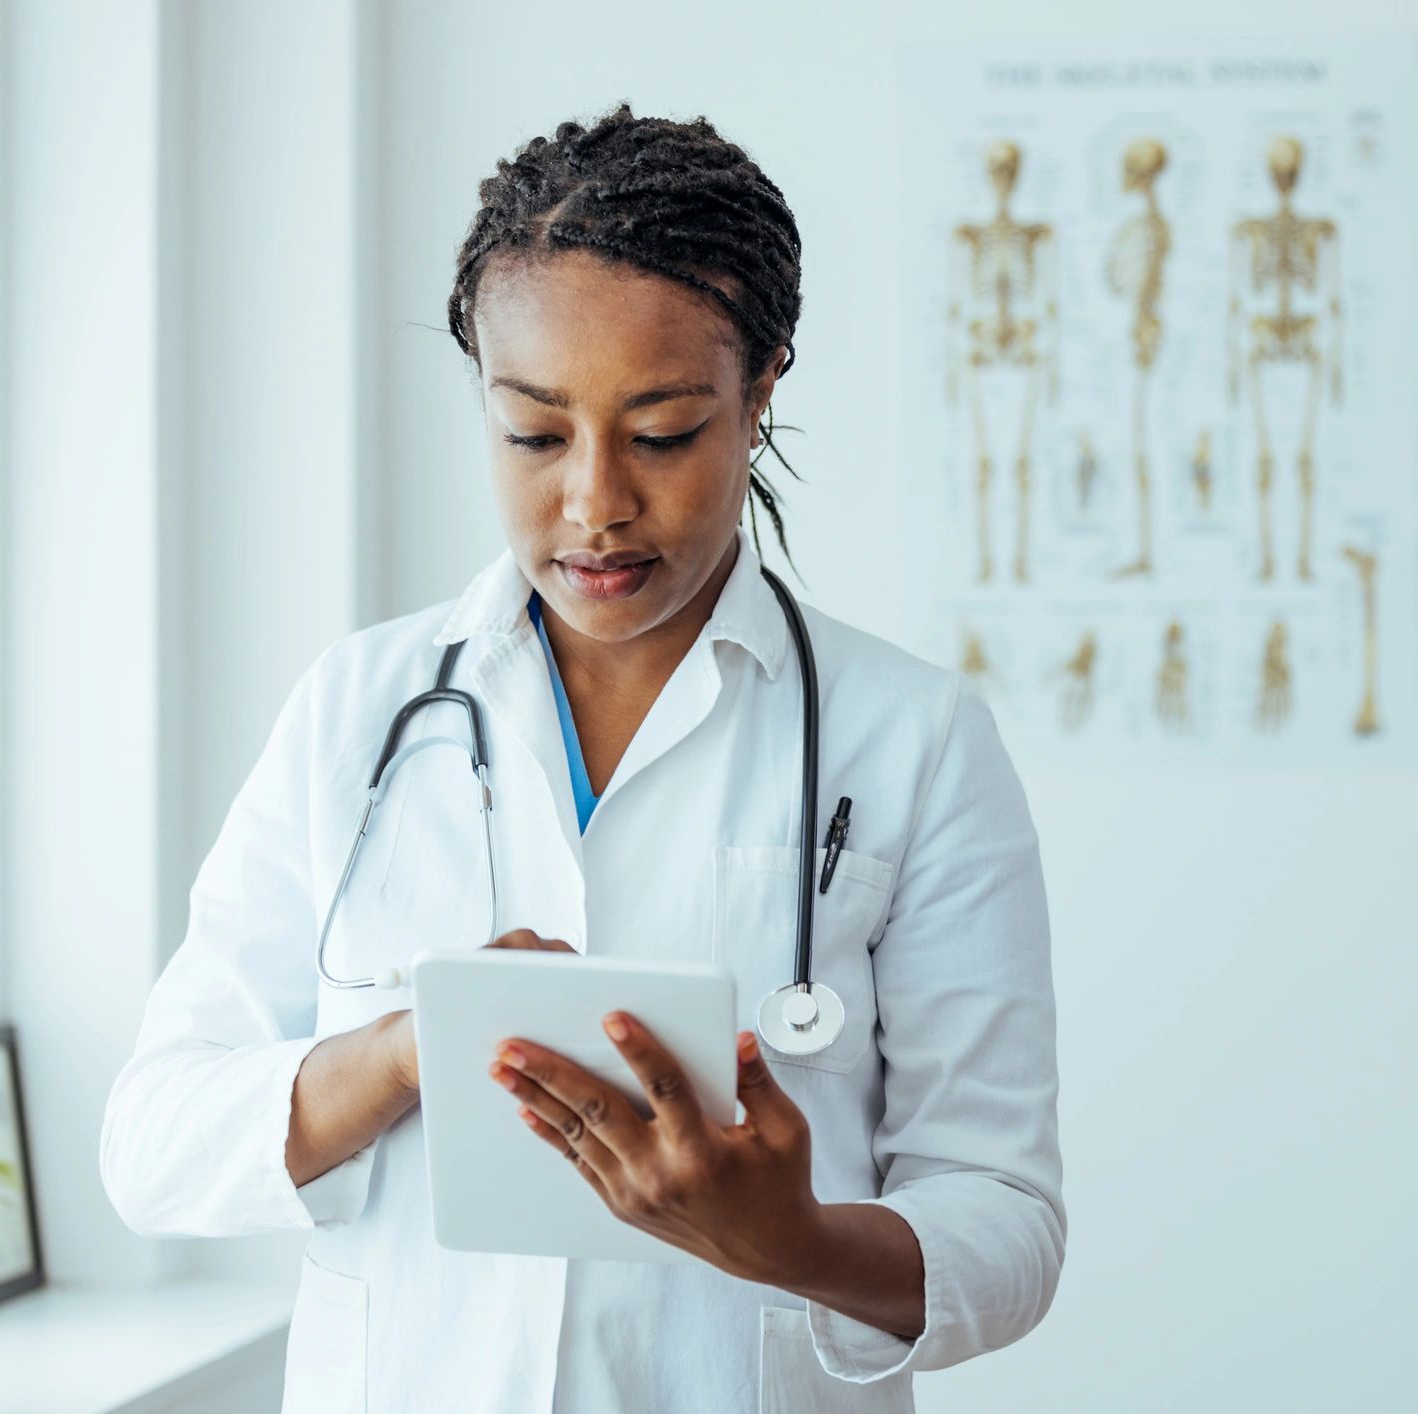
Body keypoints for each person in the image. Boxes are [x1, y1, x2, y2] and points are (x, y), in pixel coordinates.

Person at [97, 104, 1064, 1413]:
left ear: (762, 384)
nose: (596, 501)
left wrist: (799, 1243)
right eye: (535, 433)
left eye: (662, 430)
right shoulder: (358, 710)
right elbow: (150, 1143)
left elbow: (1008, 1218)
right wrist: (400, 1054)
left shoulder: (918, 742)